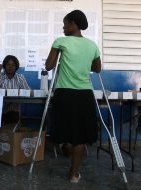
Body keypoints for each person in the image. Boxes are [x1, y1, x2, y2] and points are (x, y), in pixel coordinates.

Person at [45, 10, 101, 183]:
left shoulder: (61, 41)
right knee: (80, 136)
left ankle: (67, 150)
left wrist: (58, 52)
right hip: (84, 95)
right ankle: (74, 173)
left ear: (74, 24)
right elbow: (97, 69)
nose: (63, 27)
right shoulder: (92, 46)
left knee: (64, 130)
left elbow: (48, 66)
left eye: (66, 23)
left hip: (65, 94)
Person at [0, 55, 30, 124]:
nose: (10, 67)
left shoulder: (20, 78)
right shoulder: (0, 77)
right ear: (4, 66)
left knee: (12, 115)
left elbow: (28, 92)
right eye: (8, 64)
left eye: (13, 65)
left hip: (14, 111)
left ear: (16, 67)